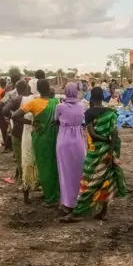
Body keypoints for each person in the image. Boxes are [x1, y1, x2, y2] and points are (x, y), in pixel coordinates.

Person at [60, 87, 126, 222]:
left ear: (91, 97)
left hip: (95, 151)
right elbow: (114, 134)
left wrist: (104, 139)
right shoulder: (110, 112)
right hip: (108, 151)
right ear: (103, 97)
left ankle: (77, 213)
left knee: (89, 181)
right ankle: (103, 212)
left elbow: (92, 133)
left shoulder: (89, 112)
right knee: (105, 180)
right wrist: (110, 149)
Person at [12, 79, 60, 206]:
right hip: (54, 138)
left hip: (40, 139)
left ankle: (50, 198)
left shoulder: (33, 103)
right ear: (49, 88)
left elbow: (15, 116)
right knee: (53, 165)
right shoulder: (56, 102)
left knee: (43, 167)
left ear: (37, 90)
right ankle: (53, 193)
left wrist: (31, 123)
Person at [54, 82, 87, 216]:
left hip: (64, 140)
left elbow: (55, 119)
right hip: (78, 140)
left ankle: (67, 204)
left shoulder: (60, 106)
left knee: (65, 172)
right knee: (79, 170)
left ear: (66, 92)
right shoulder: (82, 105)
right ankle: (81, 200)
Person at [3, 80, 31, 184]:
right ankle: (32, 178)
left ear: (18, 89)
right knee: (31, 156)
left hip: (18, 131)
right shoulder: (33, 99)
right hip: (31, 131)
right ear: (27, 88)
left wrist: (14, 117)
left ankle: (23, 180)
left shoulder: (16, 100)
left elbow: (4, 110)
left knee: (19, 157)